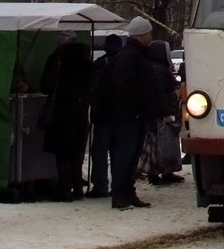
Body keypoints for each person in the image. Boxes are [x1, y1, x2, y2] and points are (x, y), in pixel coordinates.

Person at [101, 17, 161, 210]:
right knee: (125, 156)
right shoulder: (130, 56)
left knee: (131, 156)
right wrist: (136, 108)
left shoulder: (135, 55)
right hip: (128, 117)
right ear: (142, 35)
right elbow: (124, 87)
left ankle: (127, 192)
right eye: (149, 33)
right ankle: (120, 194)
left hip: (133, 115)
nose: (151, 37)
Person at [39, 31, 93, 201]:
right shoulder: (85, 59)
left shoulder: (56, 59)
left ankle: (64, 190)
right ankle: (77, 188)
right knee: (76, 152)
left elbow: (46, 85)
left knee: (62, 153)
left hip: (60, 111)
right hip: (80, 110)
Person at [86, 33, 123, 198]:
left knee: (100, 151)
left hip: (102, 114)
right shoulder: (124, 64)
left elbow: (91, 89)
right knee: (118, 151)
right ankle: (118, 185)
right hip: (121, 115)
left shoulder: (99, 64)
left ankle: (100, 185)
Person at [143, 40, 184, 185]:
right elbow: (160, 92)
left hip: (161, 111)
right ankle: (158, 173)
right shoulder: (159, 69)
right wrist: (165, 111)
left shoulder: (155, 67)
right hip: (161, 113)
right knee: (161, 143)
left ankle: (165, 172)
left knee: (162, 143)